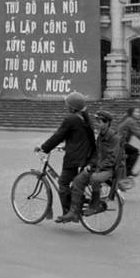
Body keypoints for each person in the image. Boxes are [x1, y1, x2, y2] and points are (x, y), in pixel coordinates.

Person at [35, 91, 95, 220]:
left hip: (75, 159)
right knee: (72, 184)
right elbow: (79, 138)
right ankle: (75, 206)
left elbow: (58, 136)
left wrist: (44, 148)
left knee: (63, 183)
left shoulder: (71, 119)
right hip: (85, 157)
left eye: (67, 105)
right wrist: (65, 147)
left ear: (72, 107)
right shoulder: (84, 118)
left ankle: (69, 212)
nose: (66, 107)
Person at [57, 110, 122, 223]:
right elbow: (96, 153)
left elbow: (113, 159)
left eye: (100, 122)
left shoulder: (114, 138)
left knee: (94, 178)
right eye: (97, 122)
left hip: (109, 169)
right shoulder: (100, 136)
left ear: (107, 123)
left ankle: (95, 204)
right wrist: (90, 164)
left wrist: (97, 168)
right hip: (97, 167)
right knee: (77, 180)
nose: (97, 124)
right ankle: (73, 212)